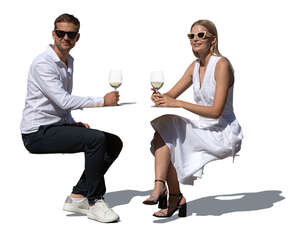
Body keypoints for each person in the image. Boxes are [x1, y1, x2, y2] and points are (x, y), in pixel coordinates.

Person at [20, 13, 122, 223]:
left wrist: (71, 123)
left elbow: (59, 105)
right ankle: (94, 201)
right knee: (96, 140)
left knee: (113, 142)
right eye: (61, 33)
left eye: (71, 34)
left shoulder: (68, 61)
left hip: (55, 126)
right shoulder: (43, 64)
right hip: (37, 133)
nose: (65, 37)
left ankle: (77, 196)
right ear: (53, 34)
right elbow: (64, 100)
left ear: (77, 38)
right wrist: (102, 100)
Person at [143, 19, 243, 217]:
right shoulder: (194, 66)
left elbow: (215, 111)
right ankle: (167, 192)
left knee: (168, 131)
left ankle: (166, 192)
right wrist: (159, 97)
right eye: (192, 35)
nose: (195, 39)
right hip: (203, 127)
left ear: (212, 40)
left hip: (222, 132)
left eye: (201, 35)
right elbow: (170, 96)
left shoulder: (222, 65)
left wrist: (178, 104)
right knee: (164, 132)